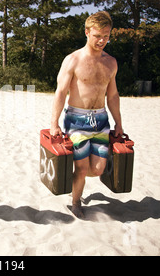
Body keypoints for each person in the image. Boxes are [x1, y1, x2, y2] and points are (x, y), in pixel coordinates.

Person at [50, 11, 123, 219]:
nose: (102, 40)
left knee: (98, 169)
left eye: (106, 36)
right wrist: (54, 123)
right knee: (81, 168)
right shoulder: (72, 60)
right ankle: (75, 203)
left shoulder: (111, 63)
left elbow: (113, 95)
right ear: (87, 32)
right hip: (76, 119)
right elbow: (61, 92)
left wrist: (118, 123)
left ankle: (79, 183)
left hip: (101, 120)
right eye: (97, 35)